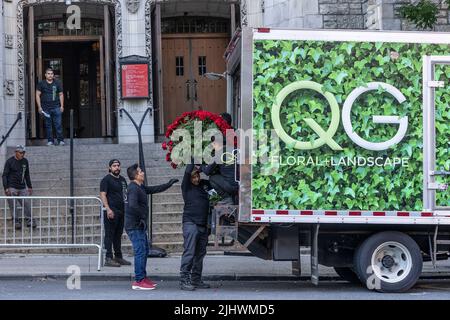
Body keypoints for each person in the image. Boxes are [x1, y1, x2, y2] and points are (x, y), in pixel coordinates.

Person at [125, 163, 178, 290]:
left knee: (144, 251)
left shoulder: (140, 186)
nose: (143, 172)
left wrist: (168, 184)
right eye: (140, 171)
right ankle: (139, 281)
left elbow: (153, 189)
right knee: (140, 252)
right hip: (134, 225)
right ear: (135, 175)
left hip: (139, 225)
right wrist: (142, 216)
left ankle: (143, 277)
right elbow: (132, 206)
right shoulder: (133, 188)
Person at [179, 163, 212, 291]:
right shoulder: (186, 187)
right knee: (190, 252)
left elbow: (213, 183)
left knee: (200, 254)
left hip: (203, 225)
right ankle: (184, 280)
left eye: (197, 176)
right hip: (190, 223)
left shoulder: (204, 185)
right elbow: (188, 171)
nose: (196, 179)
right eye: (193, 177)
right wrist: (194, 153)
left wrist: (203, 166)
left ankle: (196, 279)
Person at [100, 159, 131, 267]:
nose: (117, 167)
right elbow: (103, 195)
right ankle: (108, 258)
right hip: (111, 211)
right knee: (109, 235)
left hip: (121, 211)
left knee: (118, 235)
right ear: (109, 168)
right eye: (114, 166)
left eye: (118, 165)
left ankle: (118, 257)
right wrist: (108, 209)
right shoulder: (106, 180)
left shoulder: (122, 180)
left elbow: (125, 194)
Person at [2, 145, 35, 229]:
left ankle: (30, 220)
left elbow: (27, 174)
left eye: (23, 153)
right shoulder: (9, 161)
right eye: (20, 153)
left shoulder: (25, 161)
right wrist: (6, 188)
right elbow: (4, 175)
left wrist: (30, 186)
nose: (22, 154)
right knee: (13, 204)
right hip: (12, 186)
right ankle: (16, 221)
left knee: (26, 202)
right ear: (16, 152)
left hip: (22, 187)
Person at [200, 138, 238, 205]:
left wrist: (201, 165)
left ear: (215, 143)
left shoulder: (218, 154)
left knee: (212, 178)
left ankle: (226, 198)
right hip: (240, 184)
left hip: (231, 186)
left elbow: (207, 171)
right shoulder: (234, 149)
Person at [36, 67, 65, 146]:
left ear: (53, 75)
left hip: (56, 107)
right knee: (48, 125)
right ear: (45, 75)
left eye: (51, 74)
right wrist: (39, 107)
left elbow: (61, 94)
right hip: (45, 108)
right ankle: (50, 141)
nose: (50, 75)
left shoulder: (57, 83)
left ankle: (60, 140)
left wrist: (62, 106)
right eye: (48, 74)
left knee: (58, 124)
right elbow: (37, 95)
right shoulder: (41, 84)